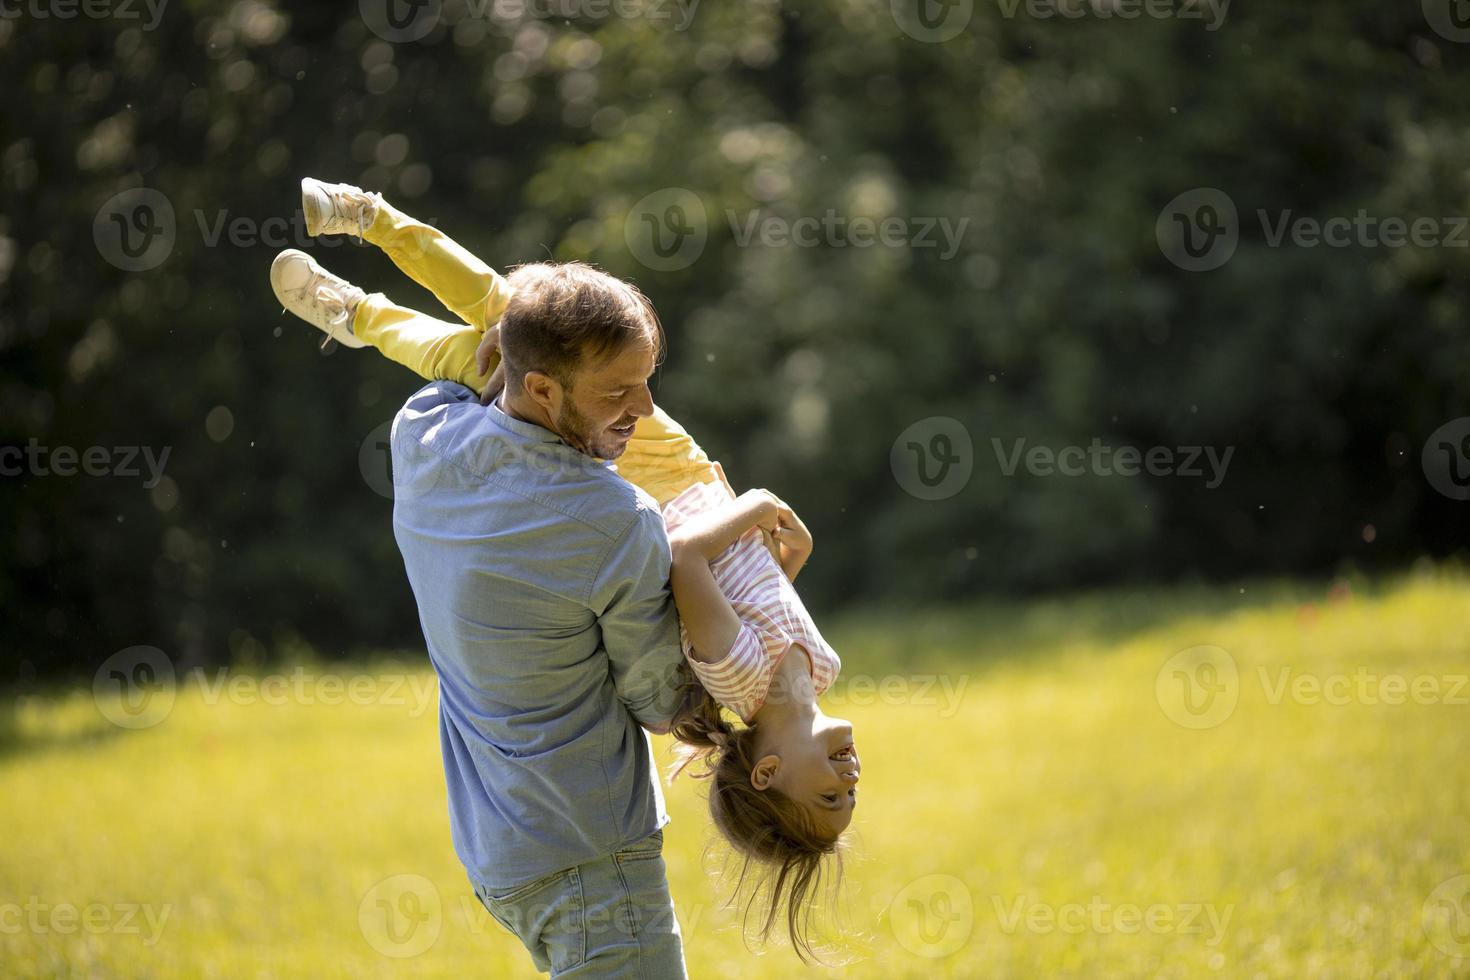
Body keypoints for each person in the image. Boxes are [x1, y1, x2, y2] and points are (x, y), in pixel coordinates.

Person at [270, 179, 859, 964]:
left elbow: (684, 565)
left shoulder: (731, 670)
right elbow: (754, 595)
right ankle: (368, 230)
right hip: (686, 481)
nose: (850, 779)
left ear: (771, 772)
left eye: (829, 794)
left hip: (669, 488)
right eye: (850, 793)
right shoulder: (819, 668)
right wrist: (787, 556)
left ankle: (356, 302)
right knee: (504, 306)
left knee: (489, 320)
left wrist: (748, 508)